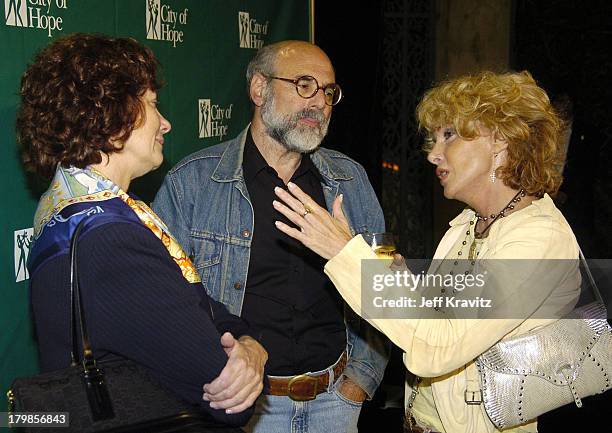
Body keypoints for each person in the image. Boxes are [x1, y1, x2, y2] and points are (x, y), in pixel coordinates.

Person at [272, 71, 581, 433]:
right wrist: (399, 282)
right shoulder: (469, 224)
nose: (433, 154)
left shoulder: (538, 240)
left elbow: (439, 346)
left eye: (449, 135)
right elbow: (443, 317)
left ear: (500, 140)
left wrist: (346, 254)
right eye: (433, 139)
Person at [17, 33, 267, 427]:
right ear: (112, 116)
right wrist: (249, 353)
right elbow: (228, 397)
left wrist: (249, 345)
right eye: (152, 104)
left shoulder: (76, 210)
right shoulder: (111, 239)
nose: (165, 122)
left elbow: (200, 307)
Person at [153, 40, 390, 433]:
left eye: (328, 92)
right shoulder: (192, 183)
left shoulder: (350, 179)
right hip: (246, 409)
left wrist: (359, 383)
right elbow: (165, 303)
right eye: (304, 85)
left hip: (336, 401)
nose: (319, 103)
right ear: (260, 89)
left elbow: (386, 282)